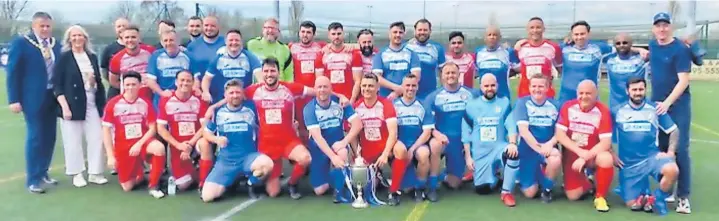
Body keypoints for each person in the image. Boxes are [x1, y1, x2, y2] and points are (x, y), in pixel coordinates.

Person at [245, 57, 347, 199]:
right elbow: (232, 96)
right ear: (262, 73)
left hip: (288, 140)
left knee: (305, 158)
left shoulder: (289, 87)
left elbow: (317, 91)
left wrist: (339, 95)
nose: (269, 74)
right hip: (267, 143)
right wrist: (213, 108)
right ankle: (255, 182)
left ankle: (293, 183)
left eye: (272, 71)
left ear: (278, 73)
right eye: (266, 71)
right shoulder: (253, 91)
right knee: (273, 193)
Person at [6, 11, 63, 193]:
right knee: (36, 137)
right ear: (34, 26)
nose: (45, 29)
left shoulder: (56, 45)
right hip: (32, 98)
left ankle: (43, 172)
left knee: (50, 137)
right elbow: (13, 72)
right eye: (42, 26)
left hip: (52, 97)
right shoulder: (22, 43)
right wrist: (14, 99)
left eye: (48, 26)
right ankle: (33, 179)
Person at [612, 77, 680, 216]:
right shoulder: (617, 111)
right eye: (634, 90)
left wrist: (671, 152)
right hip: (629, 164)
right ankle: (643, 195)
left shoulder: (655, 109)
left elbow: (674, 130)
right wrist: (612, 153)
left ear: (645, 90)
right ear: (627, 91)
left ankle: (658, 197)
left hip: (652, 158)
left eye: (641, 89)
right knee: (632, 204)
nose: (638, 93)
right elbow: (604, 134)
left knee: (672, 169)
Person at [52, 25, 108, 187]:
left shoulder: (91, 57)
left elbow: (97, 82)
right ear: (69, 39)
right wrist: (64, 107)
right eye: (74, 36)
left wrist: (92, 83)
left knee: (96, 137)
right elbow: (57, 84)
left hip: (91, 102)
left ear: (85, 38)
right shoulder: (64, 58)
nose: (77, 39)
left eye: (80, 35)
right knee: (73, 140)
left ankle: (95, 172)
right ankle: (76, 173)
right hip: (72, 104)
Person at [201, 79, 274, 202]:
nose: (235, 95)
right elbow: (206, 133)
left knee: (267, 164)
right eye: (231, 93)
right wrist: (216, 139)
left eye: (238, 92)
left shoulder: (251, 107)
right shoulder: (217, 112)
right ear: (225, 95)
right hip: (226, 161)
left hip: (248, 157)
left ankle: (251, 183)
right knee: (208, 197)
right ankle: (231, 181)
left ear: (242, 94)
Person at [649, 12, 693, 214]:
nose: (662, 29)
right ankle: (667, 189)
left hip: (677, 105)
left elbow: (683, 80)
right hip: (657, 104)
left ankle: (683, 197)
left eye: (665, 25)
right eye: (658, 26)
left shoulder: (680, 49)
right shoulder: (653, 45)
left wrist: (667, 103)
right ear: (654, 28)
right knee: (663, 146)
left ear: (671, 27)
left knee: (680, 149)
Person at [101, 71, 167, 199]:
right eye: (127, 85)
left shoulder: (145, 103)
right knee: (128, 187)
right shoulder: (113, 104)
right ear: (123, 85)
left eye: (133, 84)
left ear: (140, 85)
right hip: (123, 145)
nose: (130, 88)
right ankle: (140, 174)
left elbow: (153, 128)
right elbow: (106, 130)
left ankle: (154, 185)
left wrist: (139, 144)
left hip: (142, 141)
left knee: (159, 148)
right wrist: (110, 156)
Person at [424, 62, 481, 201]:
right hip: (443, 140)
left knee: (454, 183)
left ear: (458, 74)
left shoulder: (471, 94)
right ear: (442, 76)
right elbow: (428, 124)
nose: (450, 75)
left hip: (461, 142)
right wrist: (437, 134)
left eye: (453, 72)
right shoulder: (433, 97)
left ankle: (441, 174)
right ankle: (431, 185)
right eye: (447, 73)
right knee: (435, 145)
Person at [461, 74, 520, 207]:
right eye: (486, 86)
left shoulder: (504, 102)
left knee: (512, 154)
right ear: (481, 87)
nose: (490, 88)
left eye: (492, 85)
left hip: (498, 147)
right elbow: (466, 133)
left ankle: (506, 192)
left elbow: (510, 125)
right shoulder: (471, 106)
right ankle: (497, 177)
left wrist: (512, 143)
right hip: (480, 153)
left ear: (497, 86)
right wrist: (468, 157)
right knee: (483, 190)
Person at [555, 80, 614, 212]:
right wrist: (580, 152)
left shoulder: (602, 111)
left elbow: (605, 143)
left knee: (606, 158)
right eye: (581, 93)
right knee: (573, 195)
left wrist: (586, 156)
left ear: (596, 94)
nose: (584, 96)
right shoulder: (568, 107)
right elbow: (560, 135)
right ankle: (589, 183)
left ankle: (600, 197)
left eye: (588, 93)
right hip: (572, 155)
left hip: (593, 154)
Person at [303, 76, 362, 200]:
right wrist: (332, 157)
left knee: (343, 152)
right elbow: (318, 138)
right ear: (315, 89)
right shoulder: (309, 109)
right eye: (319, 87)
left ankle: (340, 189)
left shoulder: (341, 102)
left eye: (325, 87)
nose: (322, 90)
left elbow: (358, 124)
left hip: (337, 144)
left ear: (331, 89)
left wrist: (344, 142)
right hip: (319, 149)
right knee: (320, 190)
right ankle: (341, 175)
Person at [353, 73, 407, 206]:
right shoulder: (356, 107)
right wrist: (357, 155)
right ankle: (377, 176)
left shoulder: (386, 104)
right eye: (364, 86)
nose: (367, 89)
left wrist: (384, 154)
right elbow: (352, 134)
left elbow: (393, 133)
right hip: (367, 151)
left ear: (377, 87)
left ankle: (393, 191)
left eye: (371, 86)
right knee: (366, 188)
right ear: (360, 87)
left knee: (401, 149)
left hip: (385, 149)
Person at [512, 74, 562, 203]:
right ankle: (526, 175)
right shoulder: (522, 103)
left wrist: (550, 145)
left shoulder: (556, 105)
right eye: (534, 86)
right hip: (528, 149)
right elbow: (524, 132)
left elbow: (560, 132)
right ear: (529, 87)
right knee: (530, 193)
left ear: (547, 88)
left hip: (547, 147)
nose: (537, 89)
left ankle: (547, 189)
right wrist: (540, 148)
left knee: (555, 157)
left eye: (541, 86)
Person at [156, 70, 208, 192]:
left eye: (188, 81)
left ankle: (203, 181)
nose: (185, 83)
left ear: (193, 83)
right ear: (176, 82)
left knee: (205, 144)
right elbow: (161, 128)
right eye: (182, 80)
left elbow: (204, 126)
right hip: (178, 147)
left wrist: (190, 144)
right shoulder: (166, 100)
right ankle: (198, 171)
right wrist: (178, 145)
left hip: (195, 143)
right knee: (183, 185)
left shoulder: (199, 100)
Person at [392, 74, 434, 202]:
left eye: (413, 85)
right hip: (399, 145)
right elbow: (390, 130)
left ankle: (419, 187)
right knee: (406, 188)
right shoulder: (393, 105)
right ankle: (395, 189)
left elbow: (427, 132)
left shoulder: (424, 105)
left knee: (424, 153)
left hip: (417, 144)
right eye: (407, 85)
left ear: (417, 87)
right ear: (402, 87)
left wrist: (412, 149)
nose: (410, 88)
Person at [289, 20, 325, 145]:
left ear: (313, 34)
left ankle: (314, 151)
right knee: (298, 124)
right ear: (299, 33)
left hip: (315, 93)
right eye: (303, 32)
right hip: (298, 93)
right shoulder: (291, 48)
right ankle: (300, 152)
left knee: (313, 123)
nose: (305, 35)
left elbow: (342, 46)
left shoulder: (321, 48)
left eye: (308, 32)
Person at [202, 29, 261, 104]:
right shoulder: (219, 58)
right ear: (226, 42)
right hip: (223, 101)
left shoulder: (249, 57)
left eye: (237, 40)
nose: (234, 43)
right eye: (231, 40)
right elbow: (207, 78)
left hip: (244, 101)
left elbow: (260, 77)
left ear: (241, 42)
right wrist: (206, 92)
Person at [147, 30, 198, 108]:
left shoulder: (188, 56)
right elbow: (151, 81)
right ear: (161, 42)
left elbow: (196, 79)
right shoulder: (156, 56)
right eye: (165, 41)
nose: (168, 43)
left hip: (184, 99)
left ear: (178, 41)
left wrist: (192, 91)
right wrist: (162, 93)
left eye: (171, 40)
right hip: (163, 98)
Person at [315, 22, 363, 104]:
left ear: (343, 34)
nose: (336, 37)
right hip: (329, 100)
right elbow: (320, 81)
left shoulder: (353, 54)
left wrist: (352, 100)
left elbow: (358, 80)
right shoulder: (321, 55)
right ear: (329, 35)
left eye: (339, 34)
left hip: (349, 99)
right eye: (333, 34)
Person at [514, 17, 561, 99]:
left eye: (538, 27)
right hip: (525, 95)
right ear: (527, 30)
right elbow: (512, 68)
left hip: (547, 95)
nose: (535, 30)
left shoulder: (553, 48)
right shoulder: (520, 48)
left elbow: (560, 68)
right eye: (532, 28)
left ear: (543, 29)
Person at [372, 21, 421, 100]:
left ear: (404, 34)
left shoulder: (412, 54)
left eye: (400, 32)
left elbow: (416, 77)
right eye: (395, 32)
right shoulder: (380, 54)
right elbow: (377, 78)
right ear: (389, 34)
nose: (398, 35)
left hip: (406, 100)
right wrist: (397, 88)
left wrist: (397, 92)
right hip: (386, 98)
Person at [109, 25, 155, 102]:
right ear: (122, 39)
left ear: (139, 38)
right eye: (127, 37)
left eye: (133, 37)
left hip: (150, 100)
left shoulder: (151, 52)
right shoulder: (117, 59)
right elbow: (113, 81)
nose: (130, 40)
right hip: (129, 102)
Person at [604, 33, 648, 109]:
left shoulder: (642, 59)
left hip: (638, 104)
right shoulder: (608, 59)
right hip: (615, 105)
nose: (621, 45)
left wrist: (639, 49)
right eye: (618, 43)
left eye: (625, 43)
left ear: (631, 44)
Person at [405, 19, 446, 100]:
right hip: (409, 95)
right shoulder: (405, 48)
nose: (422, 32)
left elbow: (443, 72)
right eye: (420, 30)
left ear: (430, 31)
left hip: (430, 95)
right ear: (415, 31)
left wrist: (444, 91)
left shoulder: (437, 48)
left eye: (425, 30)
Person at [475, 26, 519, 98]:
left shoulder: (508, 52)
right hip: (483, 97)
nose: (492, 37)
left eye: (495, 35)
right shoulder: (478, 52)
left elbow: (520, 67)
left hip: (503, 97)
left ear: (499, 37)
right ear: (485, 38)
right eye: (489, 35)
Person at [246, 18, 293, 82]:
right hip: (258, 89)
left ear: (279, 32)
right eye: (267, 28)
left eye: (273, 28)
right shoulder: (251, 45)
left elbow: (289, 77)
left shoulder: (285, 49)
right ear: (263, 30)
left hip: (279, 89)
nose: (270, 31)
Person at [186, 15, 225, 91]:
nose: (209, 28)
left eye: (213, 26)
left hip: (223, 92)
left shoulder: (227, 43)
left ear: (218, 27)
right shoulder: (192, 46)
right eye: (206, 25)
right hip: (201, 92)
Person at [100, 17, 129, 99]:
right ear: (115, 29)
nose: (122, 28)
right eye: (119, 26)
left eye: (124, 26)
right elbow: (104, 70)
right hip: (115, 92)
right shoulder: (109, 49)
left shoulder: (140, 48)